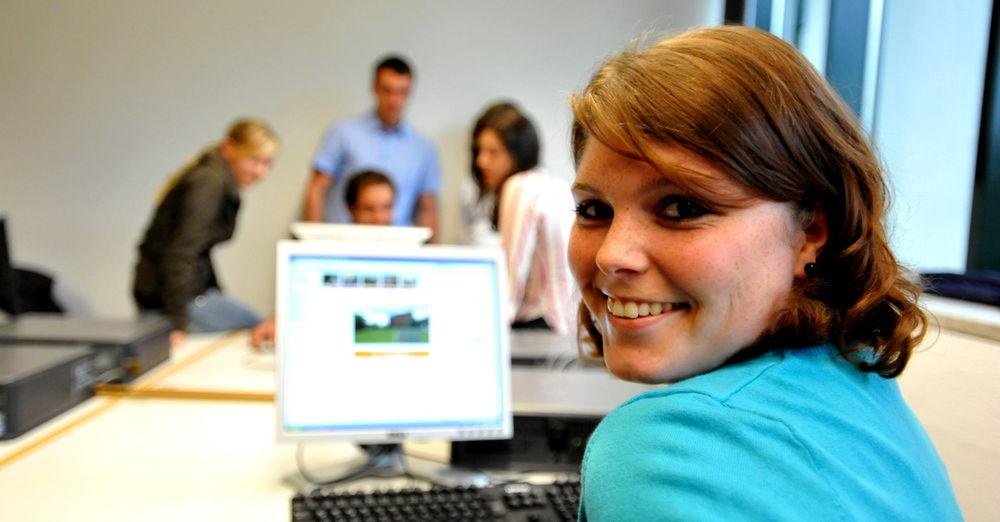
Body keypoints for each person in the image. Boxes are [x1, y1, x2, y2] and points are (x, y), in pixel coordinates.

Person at [569, 26, 960, 519]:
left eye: (681, 206)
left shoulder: (670, 448)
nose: (611, 255)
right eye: (592, 210)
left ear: (811, 231)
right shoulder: (855, 381)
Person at [133, 119, 278, 347]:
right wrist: (177, 323)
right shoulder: (209, 183)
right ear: (229, 148)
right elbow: (181, 252)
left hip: (176, 293)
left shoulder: (212, 177)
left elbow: (198, 250)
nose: (262, 171)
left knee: (263, 326)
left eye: (268, 163)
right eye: (254, 160)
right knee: (264, 330)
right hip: (170, 300)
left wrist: (218, 295)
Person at [461, 102, 576, 335]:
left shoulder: (519, 187)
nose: (482, 162)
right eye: (480, 151)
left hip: (540, 324)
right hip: (565, 323)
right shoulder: (550, 183)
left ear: (517, 154)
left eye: (493, 152)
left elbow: (511, 279)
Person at [249, 170, 397, 348]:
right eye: (369, 209)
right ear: (351, 208)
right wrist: (277, 320)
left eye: (387, 207)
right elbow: (303, 296)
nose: (379, 218)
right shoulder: (330, 253)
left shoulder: (411, 254)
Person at [303, 55, 440, 239]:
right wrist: (314, 243)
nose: (394, 100)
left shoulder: (423, 149)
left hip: (396, 248)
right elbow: (317, 189)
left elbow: (428, 208)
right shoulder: (343, 133)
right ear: (375, 88)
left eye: (402, 92)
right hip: (342, 243)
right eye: (387, 90)